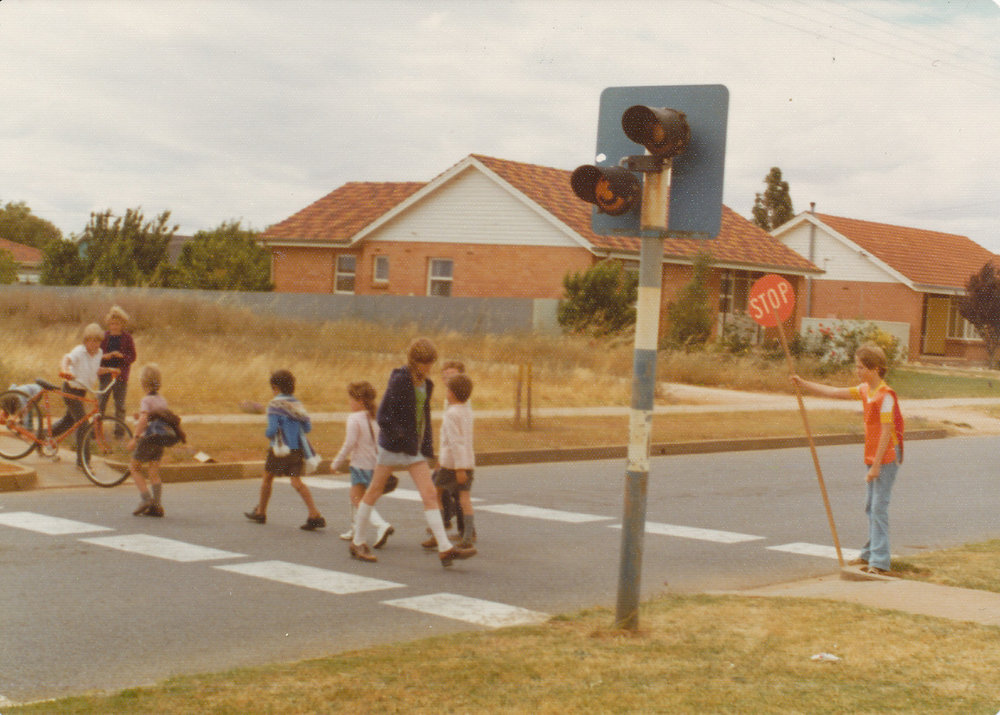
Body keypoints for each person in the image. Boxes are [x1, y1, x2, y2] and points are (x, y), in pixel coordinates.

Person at [348, 338, 476, 567]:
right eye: (423, 363)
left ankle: (445, 548)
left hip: (413, 447)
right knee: (374, 491)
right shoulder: (400, 379)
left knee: (429, 494)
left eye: (430, 363)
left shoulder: (427, 384)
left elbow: (424, 417)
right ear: (413, 361)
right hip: (393, 445)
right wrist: (400, 436)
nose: (427, 367)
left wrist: (426, 446)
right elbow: (384, 414)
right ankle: (357, 542)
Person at [791, 342, 902, 576]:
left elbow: (886, 434)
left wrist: (876, 467)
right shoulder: (864, 390)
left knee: (878, 508)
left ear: (875, 368)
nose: (858, 371)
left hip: (886, 455)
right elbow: (833, 392)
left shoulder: (886, 396)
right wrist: (804, 384)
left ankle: (880, 562)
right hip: (873, 454)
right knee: (870, 506)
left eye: (862, 367)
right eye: (857, 367)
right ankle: (870, 552)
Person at [244, 369, 326, 531]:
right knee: (296, 482)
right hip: (296, 449)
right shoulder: (297, 404)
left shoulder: (274, 405)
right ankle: (314, 513)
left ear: (275, 387)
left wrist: (267, 434)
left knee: (267, 478)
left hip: (280, 449)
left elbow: (272, 429)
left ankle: (261, 511)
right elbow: (307, 427)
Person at [331, 381, 394, 548]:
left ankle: (382, 525)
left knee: (358, 499)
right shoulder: (377, 416)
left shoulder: (354, 418)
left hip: (360, 465)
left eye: (351, 399)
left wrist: (336, 462)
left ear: (359, 401)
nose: (349, 403)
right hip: (376, 465)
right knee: (356, 497)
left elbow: (349, 443)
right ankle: (354, 528)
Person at [53, 323, 118, 465]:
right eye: (92, 340)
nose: (95, 344)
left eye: (98, 341)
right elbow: (66, 359)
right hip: (70, 390)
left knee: (69, 421)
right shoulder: (79, 351)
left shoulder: (99, 353)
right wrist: (65, 370)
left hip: (81, 391)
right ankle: (83, 462)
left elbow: (95, 369)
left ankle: (43, 436)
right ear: (86, 341)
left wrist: (109, 370)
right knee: (83, 426)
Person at [432, 372, 477, 548]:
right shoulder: (468, 411)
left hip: (451, 464)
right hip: (468, 462)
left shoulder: (451, 414)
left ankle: (439, 532)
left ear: (451, 393)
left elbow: (454, 442)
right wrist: (465, 466)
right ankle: (467, 535)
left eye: (447, 390)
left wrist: (458, 468)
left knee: (435, 494)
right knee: (465, 499)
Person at [127, 364, 171, 517]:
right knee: (154, 472)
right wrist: (140, 416)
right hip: (160, 439)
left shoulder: (146, 400)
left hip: (148, 439)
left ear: (143, 383)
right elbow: (155, 418)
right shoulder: (162, 400)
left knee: (134, 468)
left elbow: (145, 419)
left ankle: (146, 499)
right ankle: (157, 505)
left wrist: (135, 438)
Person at [436, 359, 466, 535]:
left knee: (450, 490)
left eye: (453, 376)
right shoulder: (449, 399)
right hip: (451, 453)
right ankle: (448, 520)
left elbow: (457, 435)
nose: (448, 380)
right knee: (453, 490)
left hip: (455, 455)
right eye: (445, 376)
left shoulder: (460, 401)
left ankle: (446, 524)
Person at [99, 305, 137, 433]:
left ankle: (119, 432)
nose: (114, 326)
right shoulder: (104, 337)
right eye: (112, 324)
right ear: (108, 324)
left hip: (120, 376)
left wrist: (122, 356)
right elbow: (98, 356)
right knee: (100, 404)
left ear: (122, 324)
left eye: (117, 324)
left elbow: (133, 357)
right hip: (105, 375)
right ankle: (95, 431)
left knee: (120, 406)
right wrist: (106, 356)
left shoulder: (127, 338)